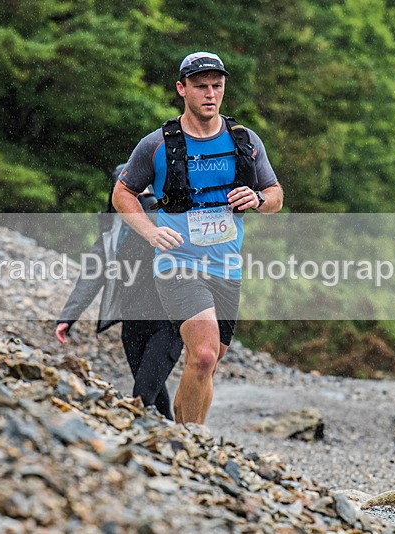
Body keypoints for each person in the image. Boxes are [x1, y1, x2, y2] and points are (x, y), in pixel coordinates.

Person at [112, 51, 283, 424]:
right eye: (200, 86)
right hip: (179, 263)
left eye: (217, 86)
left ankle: (179, 434)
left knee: (209, 360)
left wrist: (256, 199)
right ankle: (194, 445)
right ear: (181, 89)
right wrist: (151, 232)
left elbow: (275, 196)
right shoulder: (157, 143)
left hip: (226, 266)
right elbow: (122, 193)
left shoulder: (245, 141)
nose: (210, 94)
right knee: (203, 354)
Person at [55, 166, 184, 419]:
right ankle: (175, 440)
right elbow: (90, 278)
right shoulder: (111, 234)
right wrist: (67, 318)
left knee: (141, 396)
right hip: (133, 325)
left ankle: (156, 443)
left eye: (139, 188)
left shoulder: (164, 218)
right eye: (126, 189)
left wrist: (147, 197)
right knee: (153, 398)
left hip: (168, 324)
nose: (134, 195)